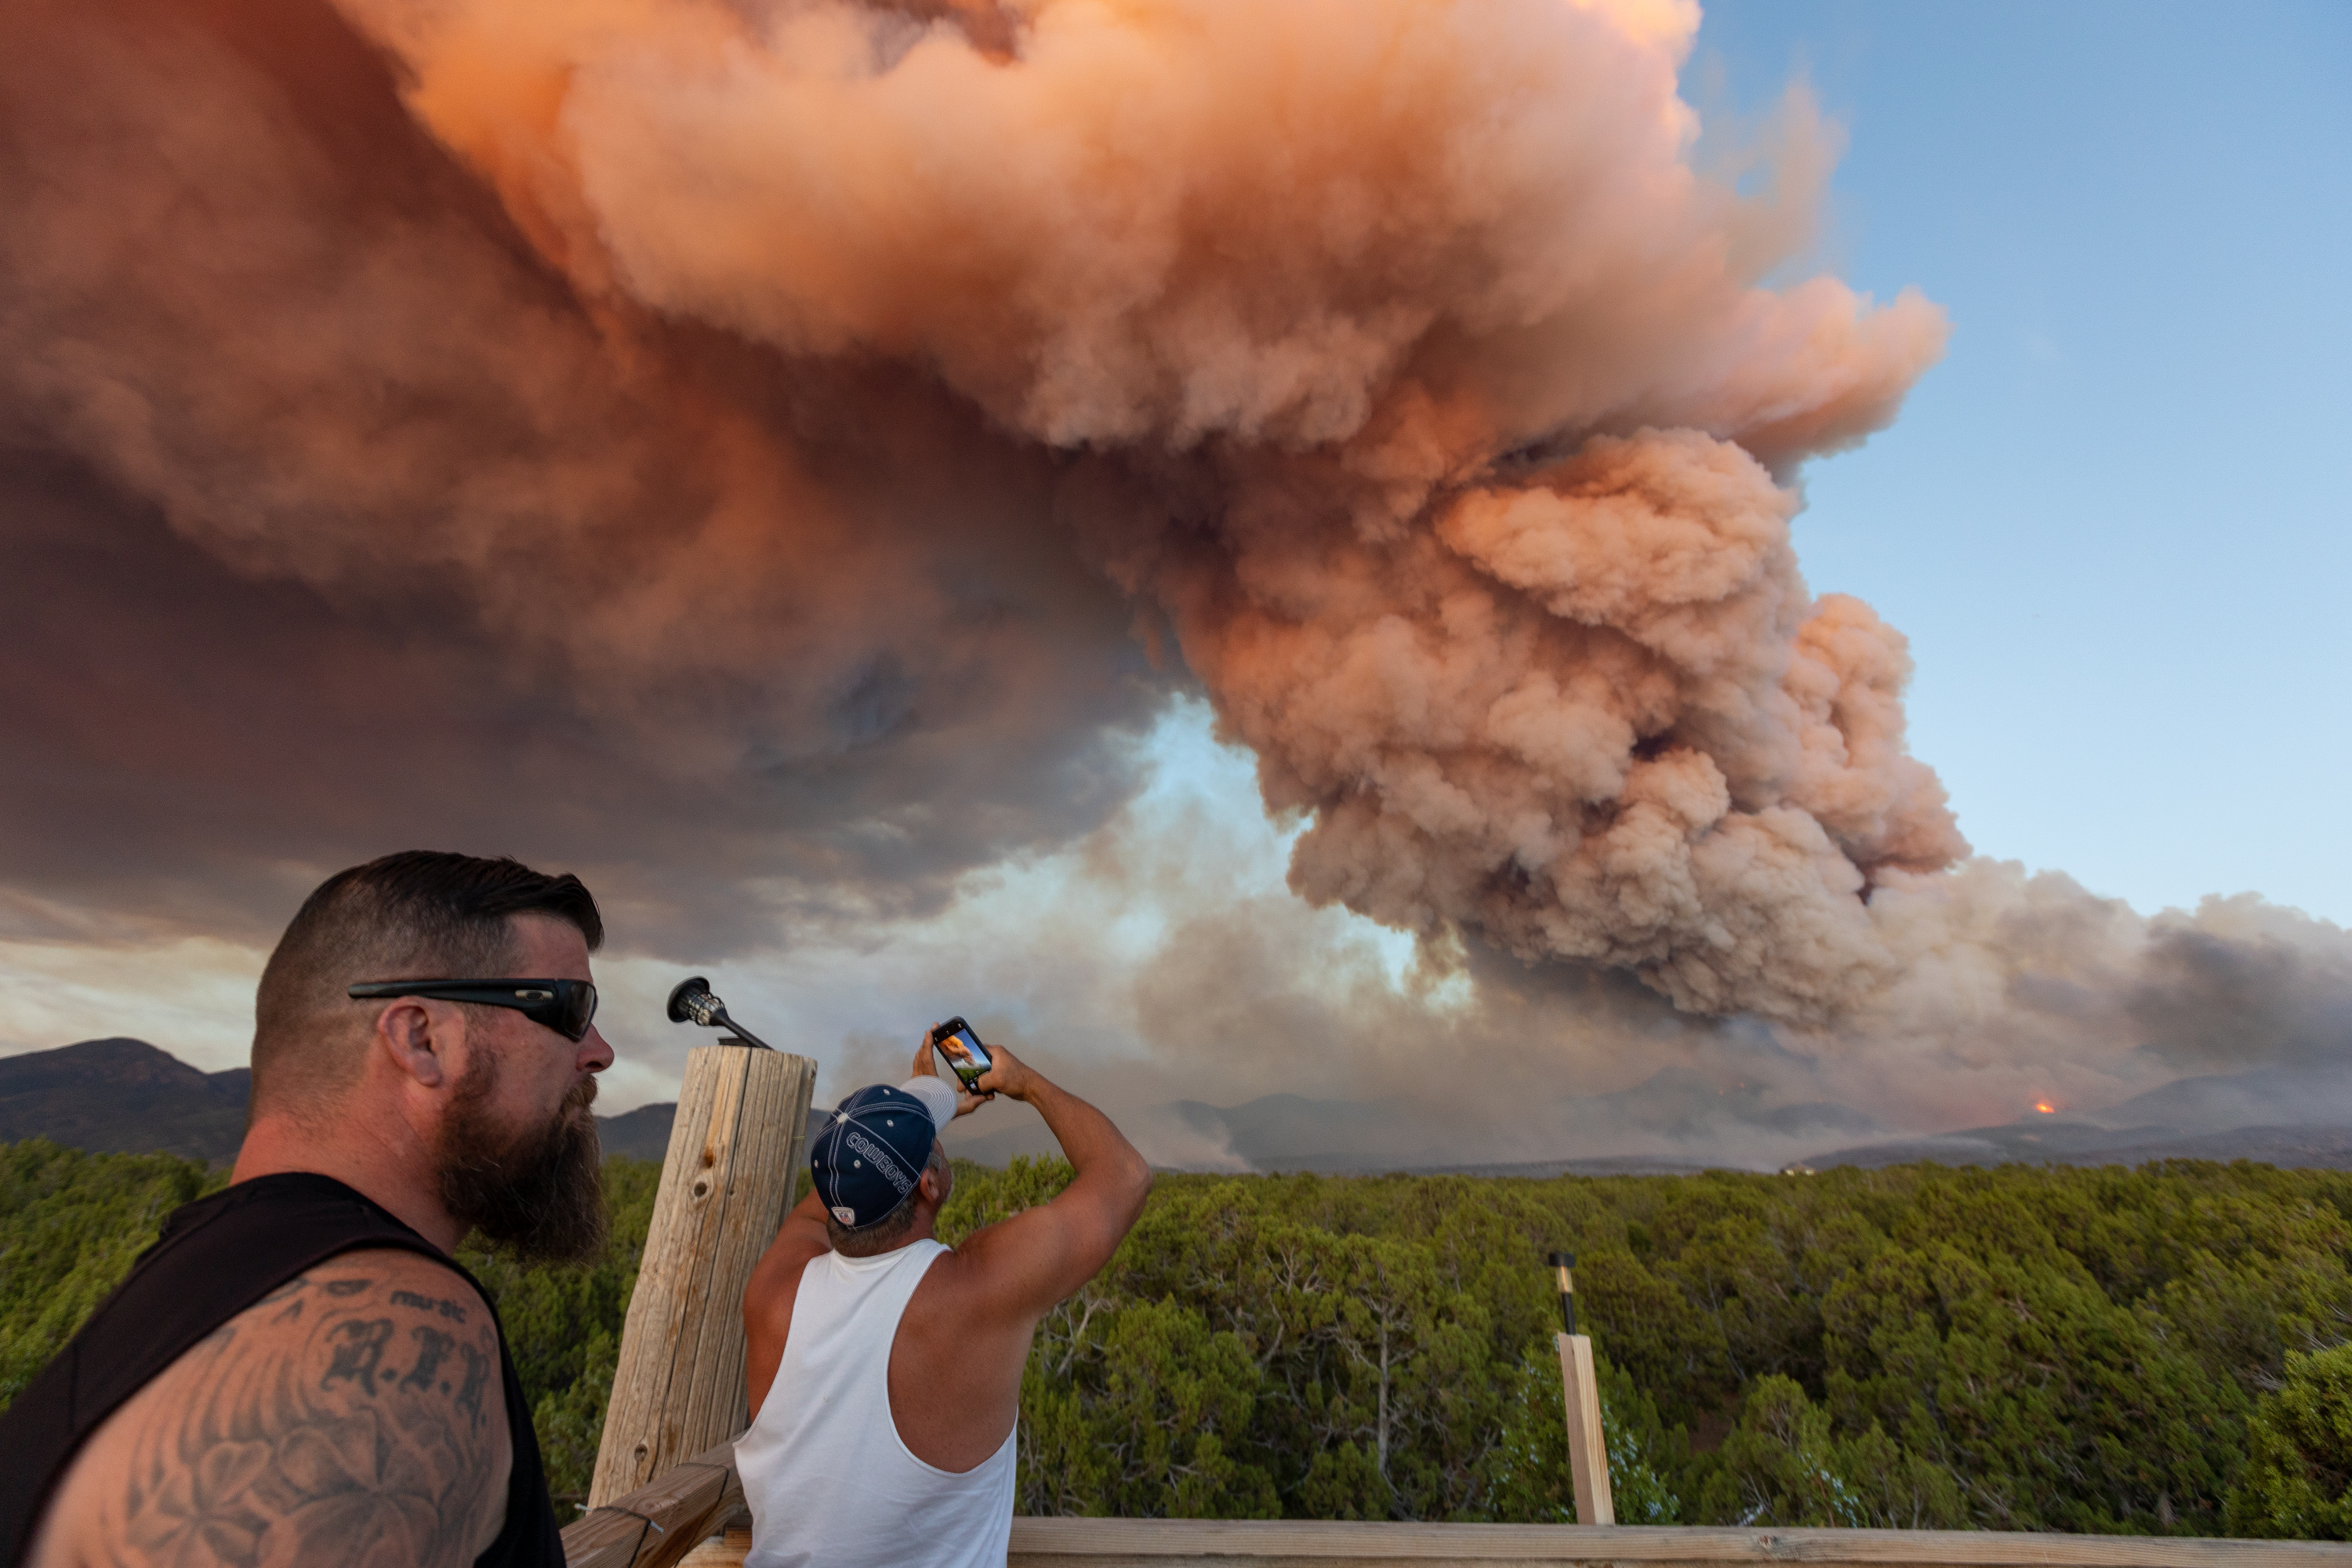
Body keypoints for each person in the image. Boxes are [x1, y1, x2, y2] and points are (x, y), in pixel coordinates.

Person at [2, 850, 615, 1568]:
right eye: (570, 1009)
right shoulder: (388, 1334)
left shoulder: (190, 1291)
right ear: (421, 1039)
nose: (600, 1052)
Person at [735, 1029, 1152, 1568]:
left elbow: (836, 1189)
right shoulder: (975, 1291)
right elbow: (1125, 1176)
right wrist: (1026, 1084)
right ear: (929, 1185)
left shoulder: (773, 1290)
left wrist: (918, 1111)